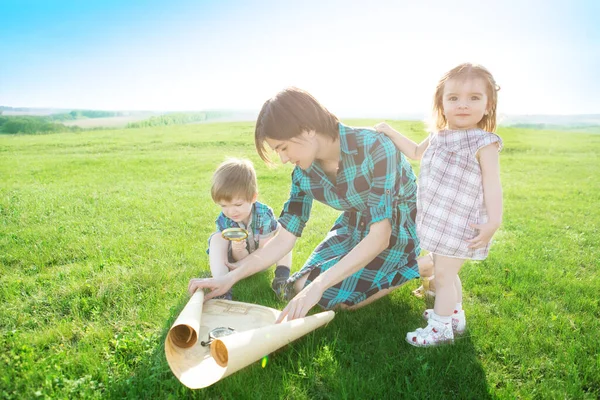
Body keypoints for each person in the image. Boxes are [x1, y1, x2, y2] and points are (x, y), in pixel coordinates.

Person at [189, 87, 430, 322]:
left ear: (307, 129)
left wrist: (319, 285)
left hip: (398, 228)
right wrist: (229, 278)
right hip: (354, 224)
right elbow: (284, 238)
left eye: (283, 148)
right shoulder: (303, 175)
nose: (283, 159)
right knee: (301, 285)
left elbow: (380, 236)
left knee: (340, 300)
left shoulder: (376, 146)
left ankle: (424, 265)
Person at [375, 62, 503, 347]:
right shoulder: (438, 136)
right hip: (437, 219)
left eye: (474, 97)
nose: (463, 105)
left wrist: (493, 221)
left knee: (443, 276)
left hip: (460, 222)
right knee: (446, 271)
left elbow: (493, 185)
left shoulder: (484, 142)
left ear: (488, 104)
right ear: (441, 104)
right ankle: (454, 315)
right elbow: (416, 153)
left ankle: (440, 330)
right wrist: (390, 132)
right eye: (453, 98)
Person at [187, 158, 292, 300]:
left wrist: (241, 263)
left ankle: (282, 278)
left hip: (263, 257)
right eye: (224, 206)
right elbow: (239, 258)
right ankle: (221, 283)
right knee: (217, 238)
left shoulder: (263, 214)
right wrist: (238, 250)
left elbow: (264, 252)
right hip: (234, 263)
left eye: (238, 204)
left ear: (253, 197)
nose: (231, 211)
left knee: (283, 233)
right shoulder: (225, 220)